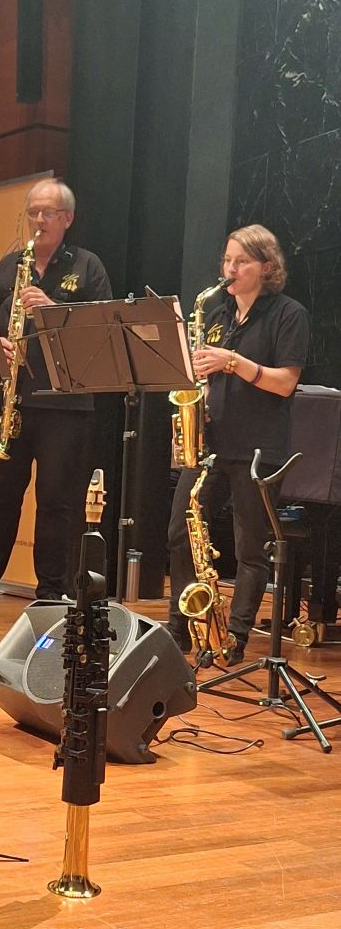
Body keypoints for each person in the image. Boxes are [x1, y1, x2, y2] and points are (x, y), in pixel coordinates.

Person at [0, 179, 112, 620]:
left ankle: (50, 594)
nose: (39, 221)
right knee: (1, 499)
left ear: (67, 218)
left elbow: (101, 332)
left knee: (57, 501)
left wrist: (52, 308)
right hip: (15, 401)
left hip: (66, 403)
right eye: (33, 213)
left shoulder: (88, 267)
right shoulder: (8, 267)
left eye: (48, 213)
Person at [167, 224, 310, 665]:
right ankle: (180, 626)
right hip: (209, 442)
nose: (230, 269)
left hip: (258, 447)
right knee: (179, 533)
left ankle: (236, 636)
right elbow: (205, 376)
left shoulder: (288, 314)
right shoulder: (216, 314)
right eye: (227, 260)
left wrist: (233, 362)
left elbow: (285, 383)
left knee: (249, 546)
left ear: (266, 267)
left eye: (241, 262)